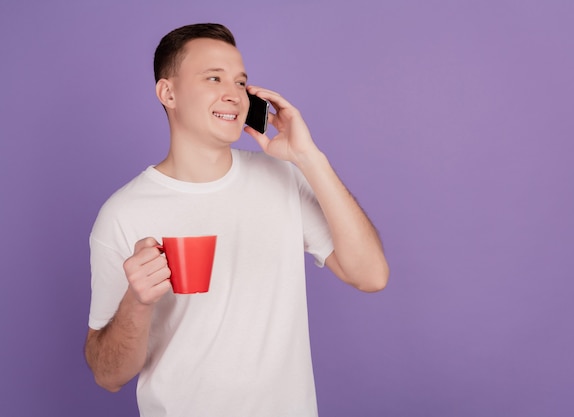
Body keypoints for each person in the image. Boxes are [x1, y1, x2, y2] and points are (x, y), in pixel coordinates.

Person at [84, 23, 389, 417]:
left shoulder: (284, 178)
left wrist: (308, 157)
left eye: (241, 81)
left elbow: (371, 276)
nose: (233, 93)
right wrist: (137, 302)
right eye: (213, 77)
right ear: (168, 92)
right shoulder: (123, 213)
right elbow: (108, 375)